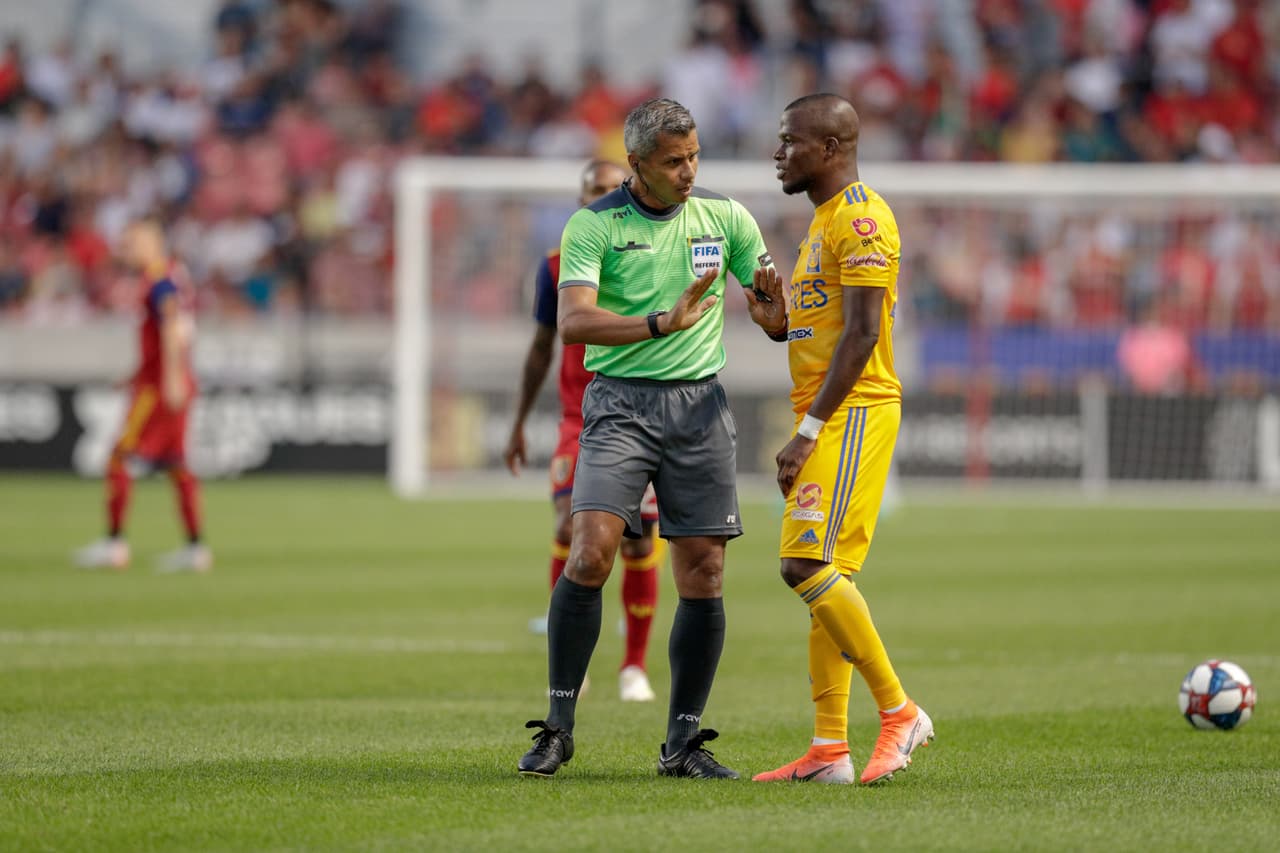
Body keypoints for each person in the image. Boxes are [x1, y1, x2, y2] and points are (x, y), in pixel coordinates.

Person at [516, 98, 787, 779]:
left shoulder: (725, 217)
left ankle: (683, 743)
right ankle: (558, 726)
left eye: (694, 155)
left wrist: (771, 313)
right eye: (673, 161)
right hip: (619, 407)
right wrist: (659, 323)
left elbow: (771, 313)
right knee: (590, 553)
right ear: (636, 164)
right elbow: (574, 323)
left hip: (700, 407)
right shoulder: (594, 224)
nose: (689, 170)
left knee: (704, 571)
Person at [752, 93, 933, 786]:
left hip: (854, 410)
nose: (779, 152)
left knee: (804, 565)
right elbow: (827, 328)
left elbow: (862, 335)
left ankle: (900, 710)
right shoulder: (823, 222)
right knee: (829, 577)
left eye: (791, 140)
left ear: (830, 149)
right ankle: (829, 747)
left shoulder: (860, 216)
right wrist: (780, 326)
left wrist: (807, 431)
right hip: (832, 412)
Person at [504, 159, 661, 704]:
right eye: (593, 192)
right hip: (580, 418)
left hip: (643, 412)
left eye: (611, 190)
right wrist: (521, 420)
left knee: (640, 545)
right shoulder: (556, 267)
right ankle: (571, 659)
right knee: (569, 528)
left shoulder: (652, 256)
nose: (602, 199)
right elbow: (543, 346)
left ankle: (634, 667)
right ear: (579, 201)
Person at [74, 219, 210, 574]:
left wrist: (170, 377)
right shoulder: (172, 276)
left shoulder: (159, 280)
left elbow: (169, 327)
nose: (125, 250)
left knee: (119, 458)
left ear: (152, 242)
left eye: (131, 242)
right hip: (169, 381)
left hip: (159, 389)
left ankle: (114, 543)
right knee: (178, 464)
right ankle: (195, 548)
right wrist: (137, 375)